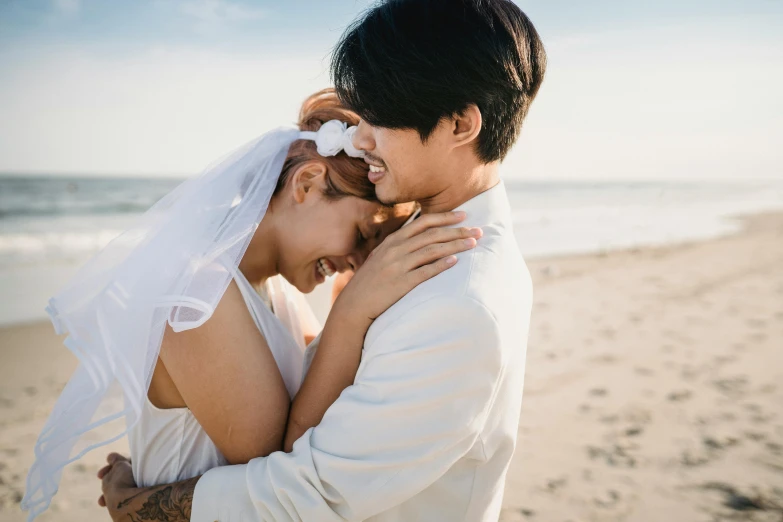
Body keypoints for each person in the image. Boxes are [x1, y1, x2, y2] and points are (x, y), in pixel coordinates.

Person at [99, 0, 547, 520]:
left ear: (459, 124)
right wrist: (352, 309)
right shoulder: (427, 264)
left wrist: (140, 508)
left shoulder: (456, 296)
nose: (362, 135)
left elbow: (308, 486)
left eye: (382, 113)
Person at [20, 89, 477, 521]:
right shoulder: (196, 290)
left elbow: (320, 399)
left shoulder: (279, 294)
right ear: (307, 183)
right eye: (361, 234)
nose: (357, 263)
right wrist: (353, 309)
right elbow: (276, 463)